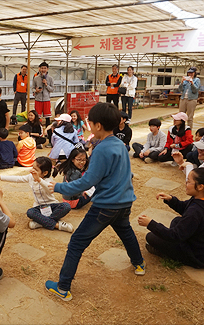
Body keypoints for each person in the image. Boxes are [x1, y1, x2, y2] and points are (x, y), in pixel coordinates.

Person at [45, 103, 145, 302]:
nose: (87, 124)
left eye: (89, 121)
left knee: (76, 243)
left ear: (98, 125)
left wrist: (57, 187)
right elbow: (127, 174)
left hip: (106, 206)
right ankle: (139, 263)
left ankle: (63, 288)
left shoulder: (101, 149)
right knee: (125, 231)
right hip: (124, 203)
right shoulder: (119, 144)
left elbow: (87, 181)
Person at [138, 167, 204, 269]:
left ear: (201, 186)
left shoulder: (195, 212)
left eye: (188, 181)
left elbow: (174, 236)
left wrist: (150, 224)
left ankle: (176, 255)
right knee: (176, 221)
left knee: (151, 237)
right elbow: (185, 207)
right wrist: (171, 200)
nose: (186, 183)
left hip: (199, 257)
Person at [0, 156, 73, 232]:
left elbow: (49, 189)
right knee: (30, 212)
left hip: (52, 206)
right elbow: (18, 179)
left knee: (66, 206)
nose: (32, 171)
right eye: (32, 167)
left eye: (36, 170)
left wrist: (39, 180)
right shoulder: (30, 177)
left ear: (45, 173)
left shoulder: (49, 181)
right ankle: (57, 225)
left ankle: (41, 222)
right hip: (39, 208)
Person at [32, 62, 55, 126]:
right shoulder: (36, 78)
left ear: (47, 69)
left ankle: (48, 131)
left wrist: (46, 84)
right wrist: (36, 91)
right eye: (42, 68)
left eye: (45, 68)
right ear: (39, 69)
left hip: (46, 99)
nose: (43, 70)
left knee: (47, 117)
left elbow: (52, 89)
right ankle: (37, 130)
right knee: (37, 117)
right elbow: (32, 88)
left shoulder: (50, 78)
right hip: (38, 99)